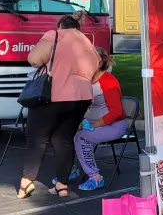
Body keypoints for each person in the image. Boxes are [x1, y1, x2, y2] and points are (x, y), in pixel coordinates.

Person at [18, 13, 100, 199]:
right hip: (81, 98)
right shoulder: (86, 42)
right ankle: (62, 186)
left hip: (54, 95)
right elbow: (96, 69)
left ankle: (26, 182)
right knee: (63, 139)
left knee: (37, 138)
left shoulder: (54, 35)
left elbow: (34, 59)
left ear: (61, 25)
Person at [71, 50, 128, 192]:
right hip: (91, 123)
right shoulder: (86, 79)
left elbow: (116, 112)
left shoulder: (108, 81)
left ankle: (95, 177)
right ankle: (70, 169)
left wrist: (94, 124)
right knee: (63, 133)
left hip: (113, 125)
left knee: (82, 137)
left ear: (99, 63)